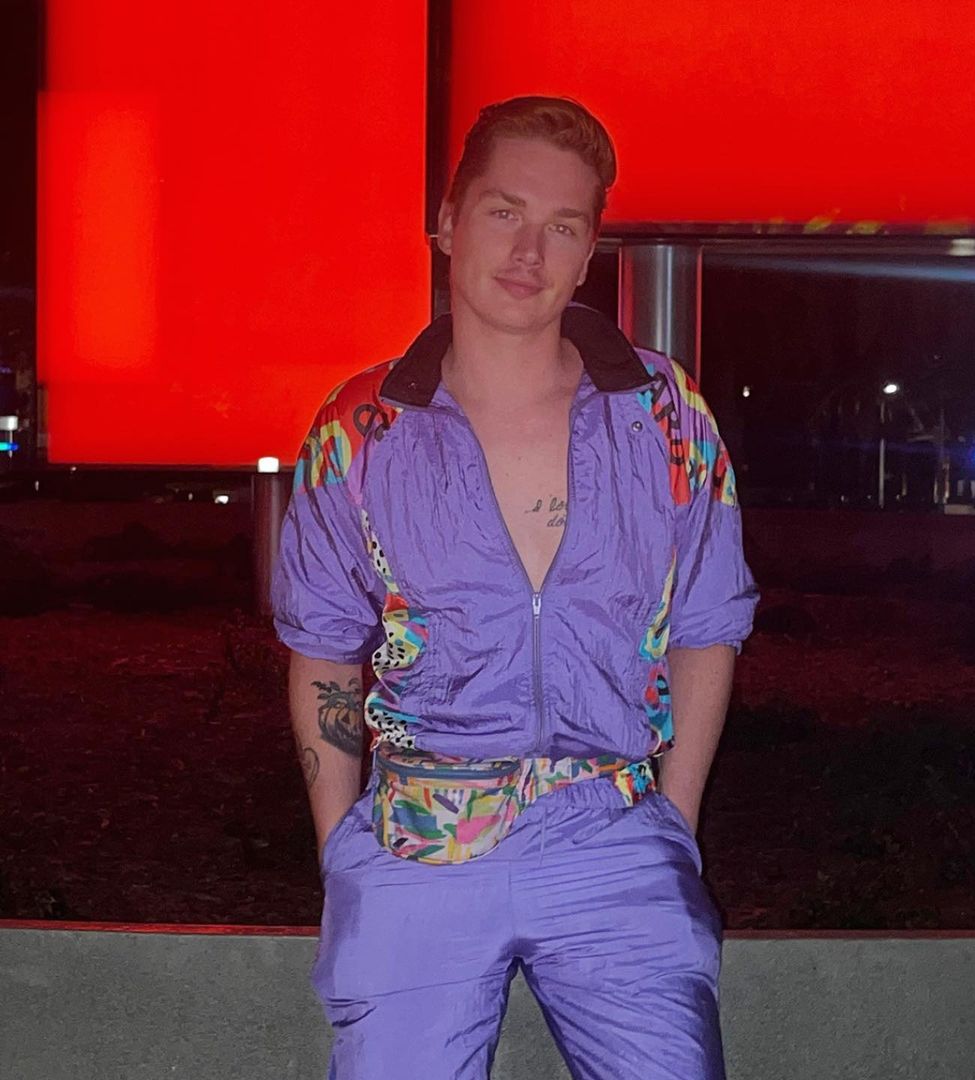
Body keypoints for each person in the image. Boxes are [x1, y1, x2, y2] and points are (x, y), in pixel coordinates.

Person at [273, 95, 757, 1080]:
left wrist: (673, 822)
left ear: (588, 255)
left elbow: (708, 624)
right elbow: (322, 645)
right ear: (449, 222)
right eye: (504, 212)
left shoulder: (665, 416)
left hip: (614, 836)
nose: (529, 251)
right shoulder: (360, 429)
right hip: (417, 843)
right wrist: (342, 853)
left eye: (563, 227)